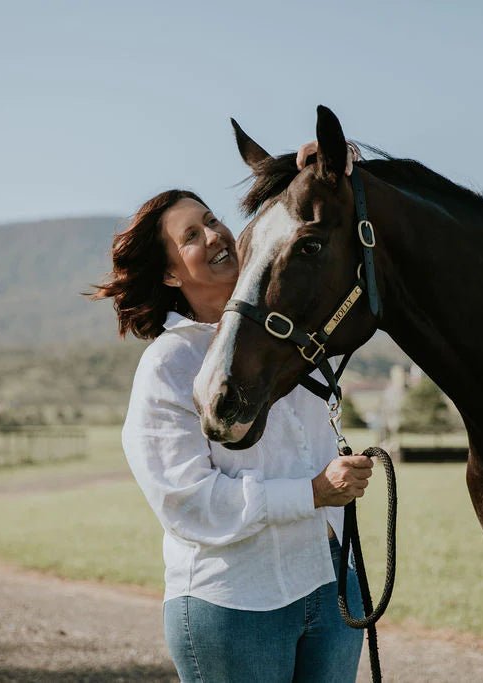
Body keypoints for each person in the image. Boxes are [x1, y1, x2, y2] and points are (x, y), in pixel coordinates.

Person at [90, 144, 373, 682]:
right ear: (171, 275)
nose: (214, 236)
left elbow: (322, 217)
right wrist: (312, 492)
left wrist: (327, 162)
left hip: (330, 586)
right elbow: (187, 502)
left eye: (212, 220)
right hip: (236, 604)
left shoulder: (289, 329)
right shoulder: (169, 366)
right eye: (190, 237)